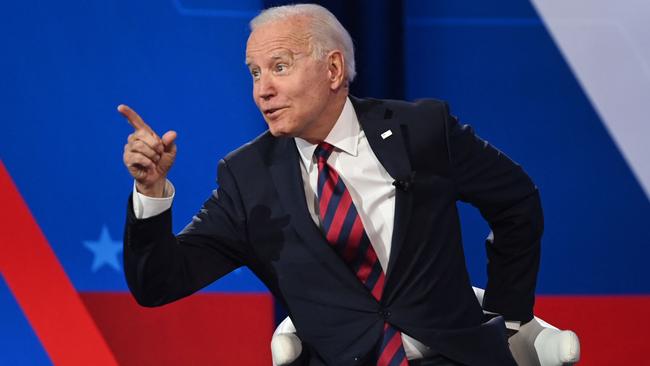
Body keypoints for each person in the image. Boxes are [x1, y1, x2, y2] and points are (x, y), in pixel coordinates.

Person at [119, 4, 542, 366]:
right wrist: (152, 193)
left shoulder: (421, 131)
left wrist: (508, 315)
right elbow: (159, 283)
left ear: (333, 69)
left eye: (279, 67)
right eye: (254, 73)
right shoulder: (248, 178)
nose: (262, 90)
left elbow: (516, 201)